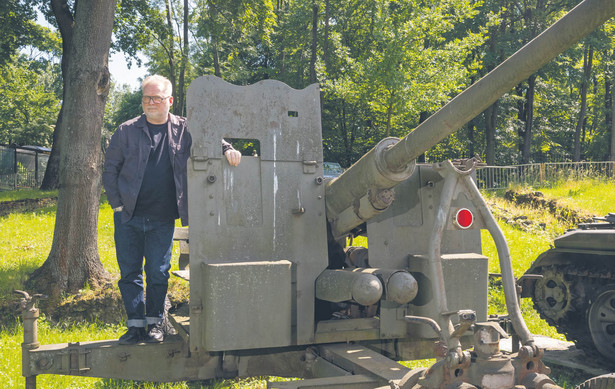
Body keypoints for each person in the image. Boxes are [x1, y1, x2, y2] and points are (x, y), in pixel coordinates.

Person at [103, 75, 241, 344]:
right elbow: (110, 171)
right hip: (128, 216)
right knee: (130, 273)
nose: (150, 103)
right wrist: (118, 205)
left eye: (156, 98)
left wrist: (228, 149)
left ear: (170, 100)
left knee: (157, 272)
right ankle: (135, 325)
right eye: (146, 97)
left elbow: (213, 140)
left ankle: (155, 323)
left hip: (162, 218)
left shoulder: (185, 129)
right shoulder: (126, 131)